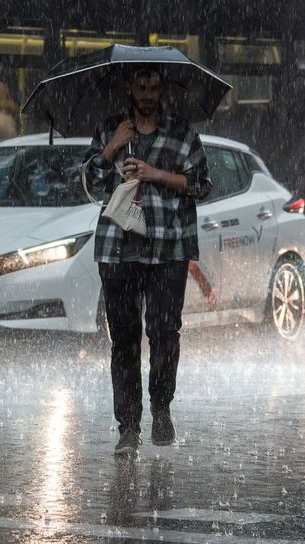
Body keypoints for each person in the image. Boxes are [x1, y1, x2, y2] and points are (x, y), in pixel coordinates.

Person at [85, 64, 213, 456]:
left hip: (167, 248)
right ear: (129, 87)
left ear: (162, 90)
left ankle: (161, 408)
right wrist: (110, 150)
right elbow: (89, 186)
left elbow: (202, 186)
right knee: (123, 341)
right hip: (118, 249)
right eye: (140, 85)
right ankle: (128, 426)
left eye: (153, 86)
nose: (146, 93)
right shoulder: (111, 130)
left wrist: (156, 173)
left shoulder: (182, 133)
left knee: (164, 333)